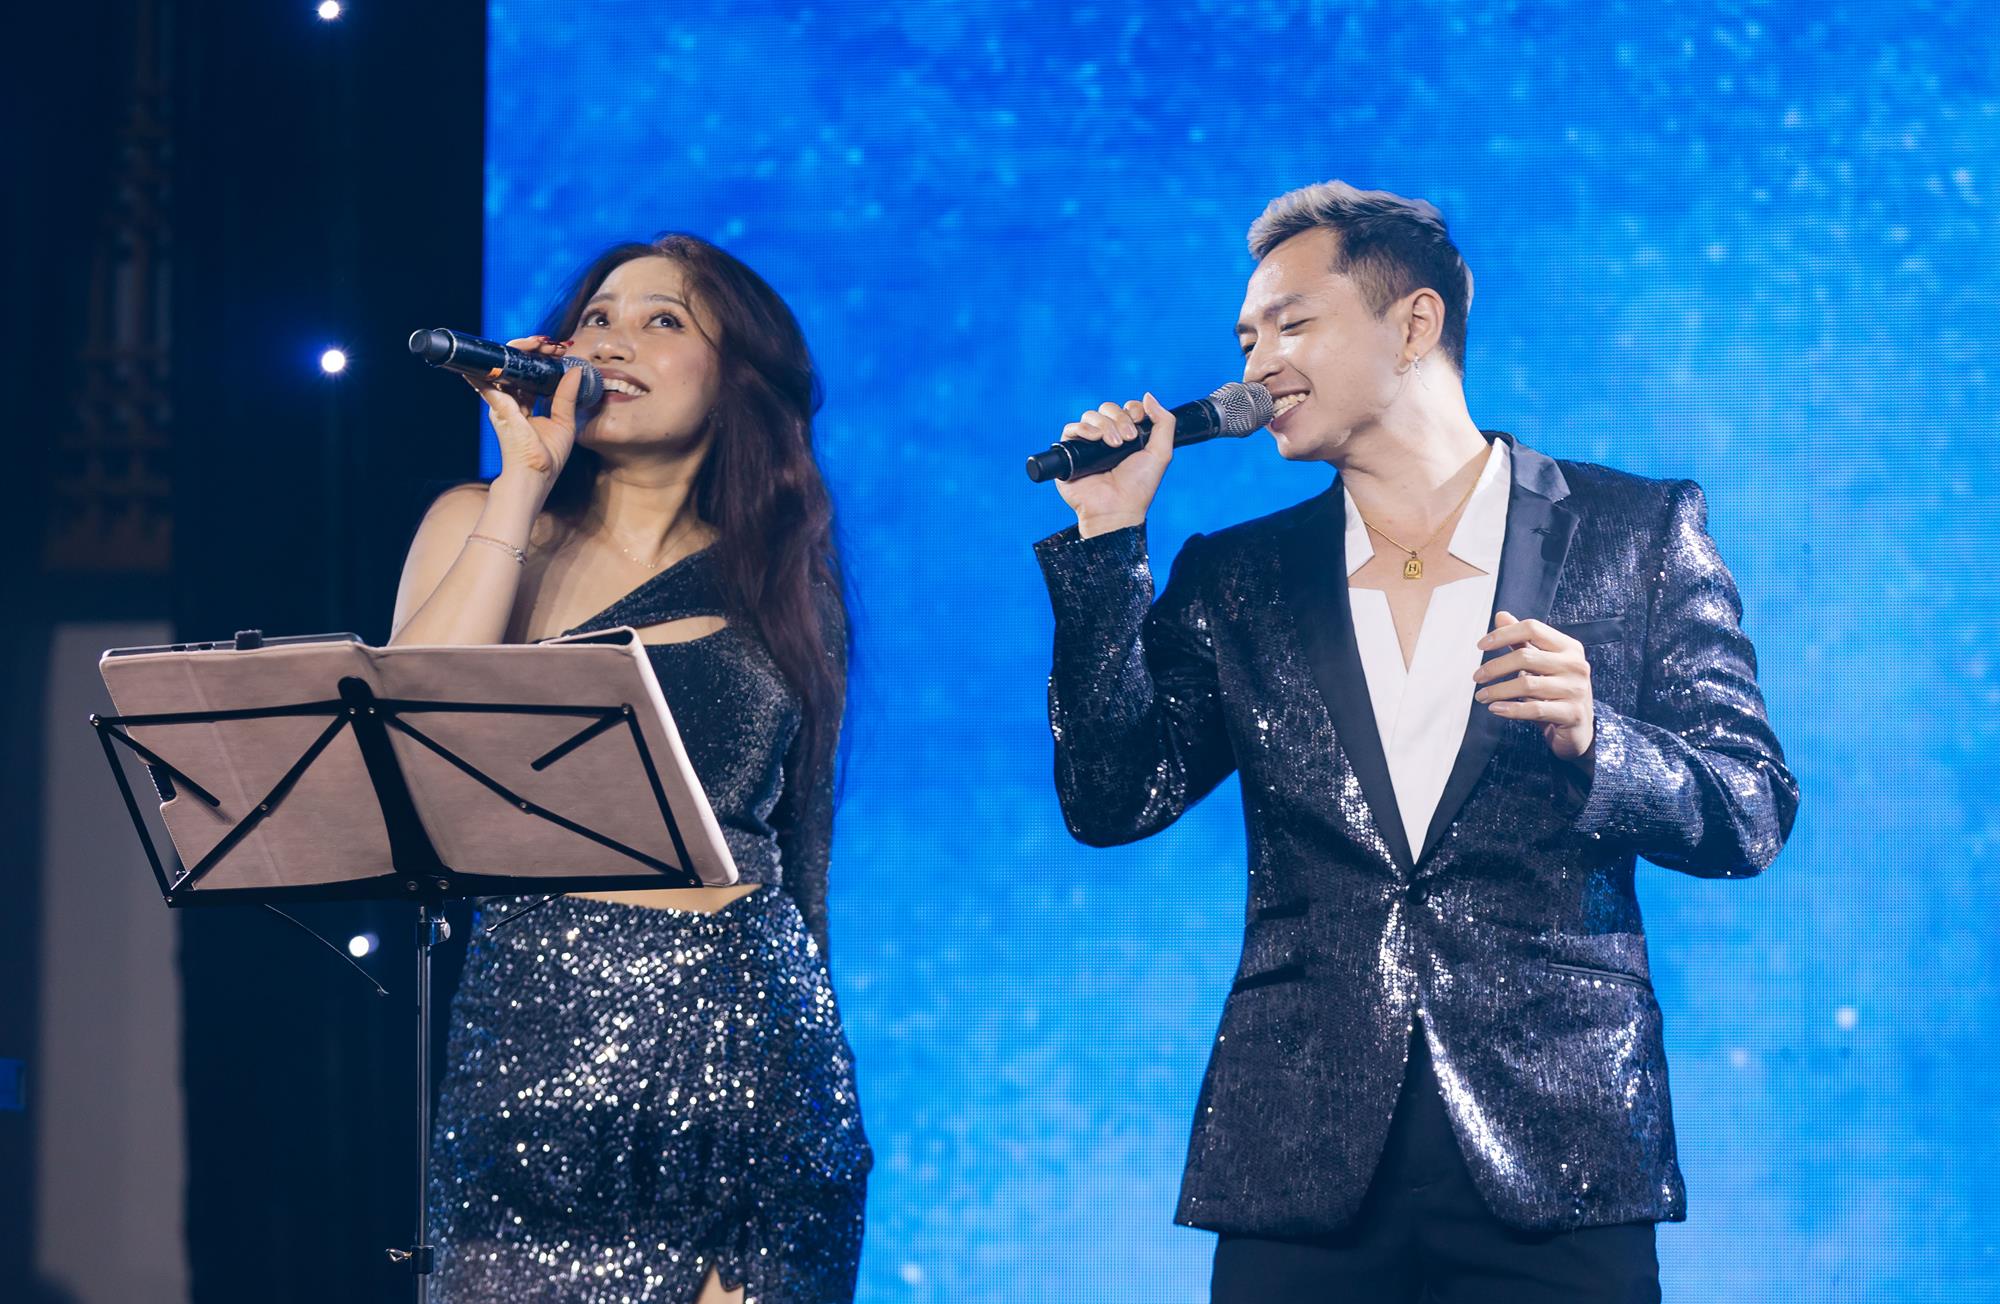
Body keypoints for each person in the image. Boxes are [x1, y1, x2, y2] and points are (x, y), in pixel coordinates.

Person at [1034, 181, 1797, 1302]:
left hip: (1559, 1152)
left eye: (1291, 324)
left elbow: (1752, 807)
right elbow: (1112, 798)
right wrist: (1109, 541)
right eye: (1245, 340)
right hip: (1299, 1155)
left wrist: (1600, 738)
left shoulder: (1635, 532)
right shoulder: (1237, 578)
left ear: (1414, 324)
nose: (1258, 363)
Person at [391, 233, 870, 1304]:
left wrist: (813, 1126)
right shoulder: (478, 520)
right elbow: (413, 730)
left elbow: (806, 862)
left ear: (738, 373)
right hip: (530, 1047)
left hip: (747, 1058)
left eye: (663, 321)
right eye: (597, 318)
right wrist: (521, 483)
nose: (613, 342)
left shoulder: (784, 577)